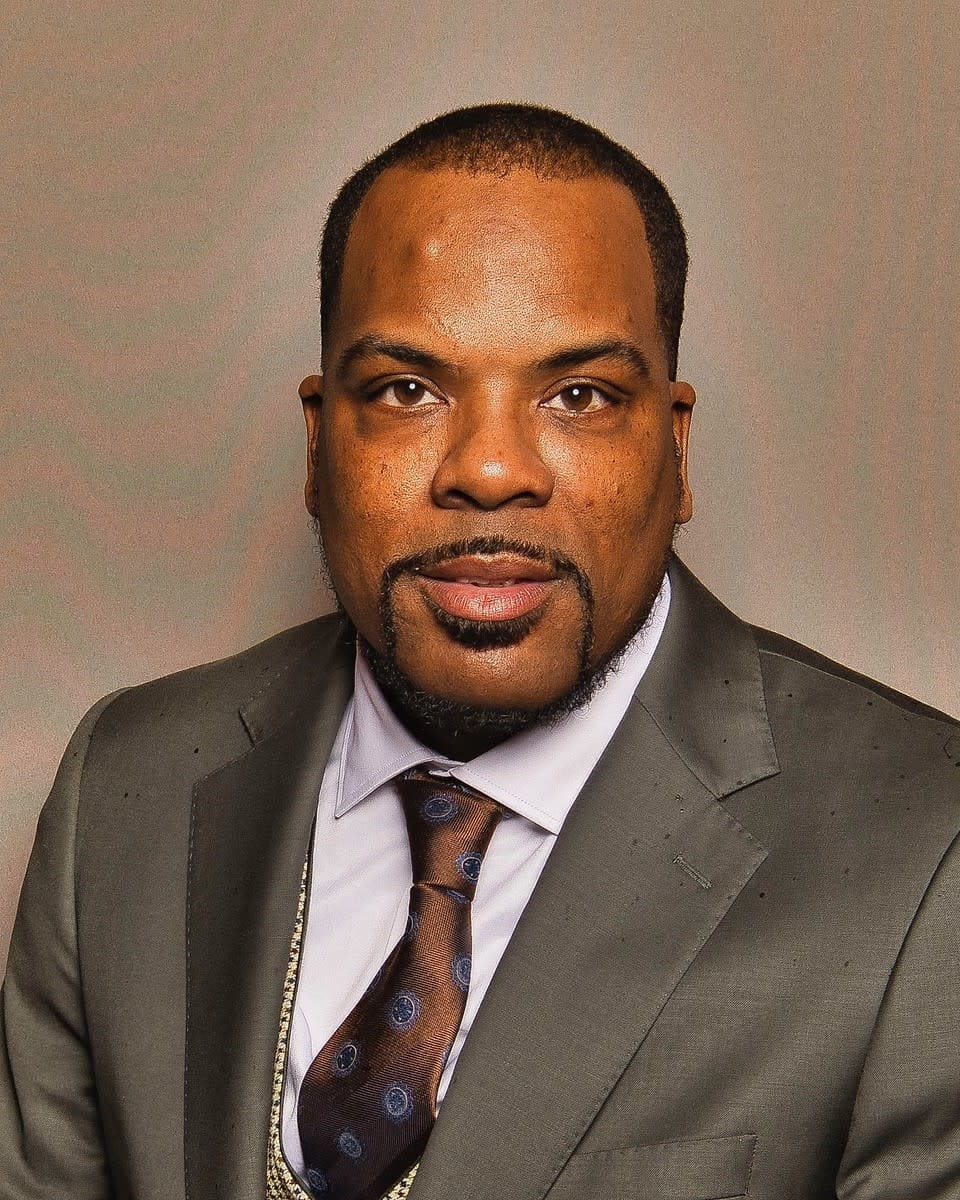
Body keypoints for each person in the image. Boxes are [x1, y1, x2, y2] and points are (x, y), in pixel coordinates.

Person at [2, 103, 958, 1200]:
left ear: (676, 449)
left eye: (580, 396)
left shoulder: (928, 853)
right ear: (317, 445)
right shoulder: (124, 788)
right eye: (406, 391)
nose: (491, 470)